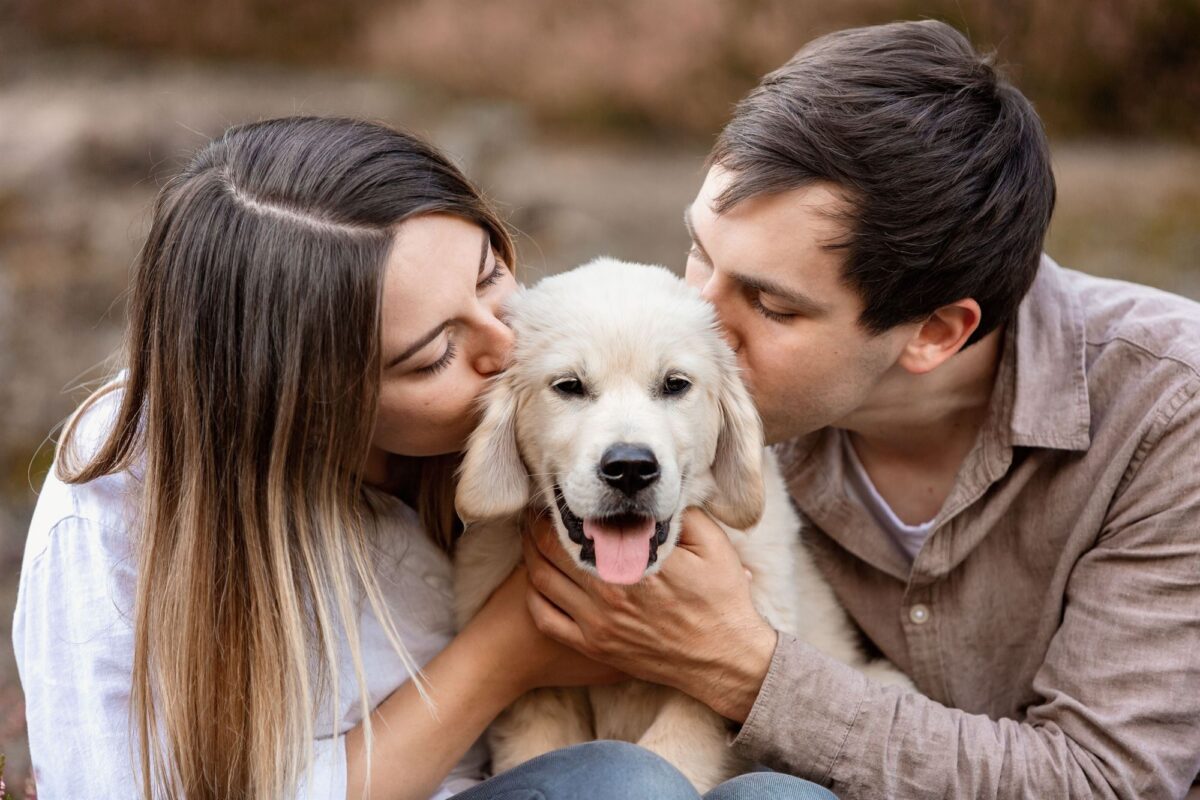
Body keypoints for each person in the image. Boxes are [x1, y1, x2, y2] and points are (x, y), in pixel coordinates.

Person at [12, 116, 836, 800]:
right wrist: (511, 646)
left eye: (489, 277)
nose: (508, 342)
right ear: (311, 405)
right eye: (434, 354)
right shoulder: (123, 503)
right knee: (623, 786)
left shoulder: (539, 392)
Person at [523, 20, 1200, 800]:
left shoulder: (1164, 415)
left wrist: (744, 666)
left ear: (936, 333)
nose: (696, 315)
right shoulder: (677, 404)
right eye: (702, 252)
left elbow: (1103, 784)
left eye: (770, 303)